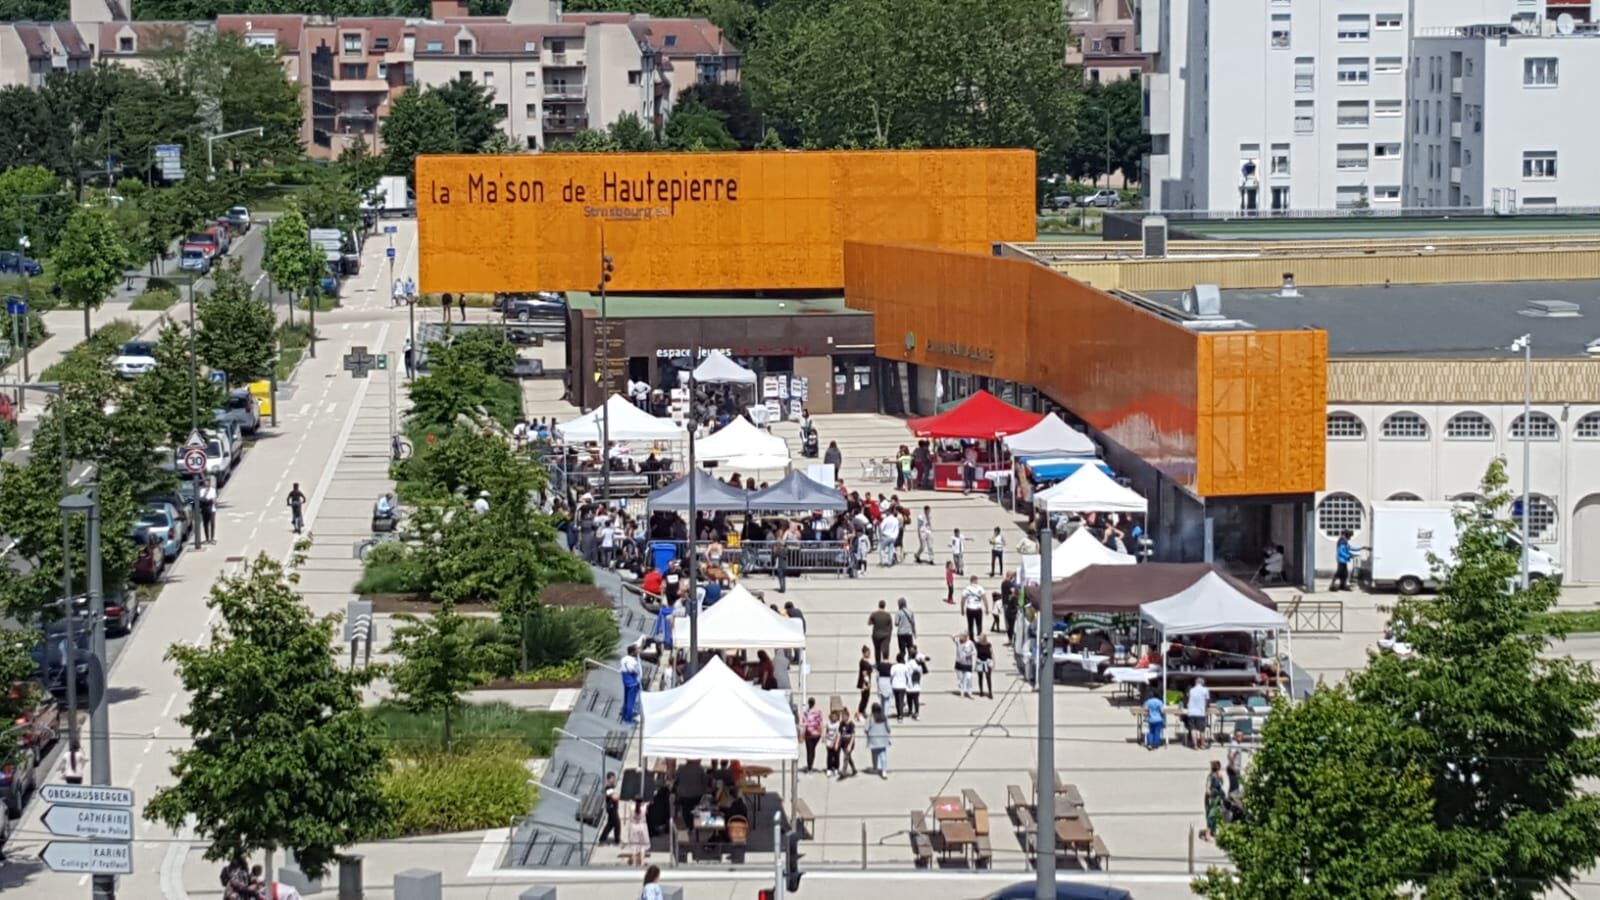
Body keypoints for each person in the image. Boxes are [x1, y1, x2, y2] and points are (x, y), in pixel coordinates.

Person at [1200, 760, 1226, 841]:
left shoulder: (1216, 776)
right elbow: (1208, 789)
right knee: (1211, 816)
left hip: (1215, 798)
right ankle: (1208, 835)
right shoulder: (1212, 777)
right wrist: (1212, 794)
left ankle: (1212, 832)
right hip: (1212, 799)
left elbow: (1220, 785)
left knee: (1213, 815)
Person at [864, 704, 892, 778]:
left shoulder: (870, 718)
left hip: (873, 740)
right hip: (883, 739)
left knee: (874, 755)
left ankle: (875, 768)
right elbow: (889, 729)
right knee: (883, 755)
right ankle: (884, 771)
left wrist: (868, 735)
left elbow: (866, 729)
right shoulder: (884, 717)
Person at [1185, 677, 1211, 749]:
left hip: (1191, 712)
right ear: (1203, 683)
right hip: (1200, 712)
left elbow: (1188, 699)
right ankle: (1202, 744)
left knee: (1193, 729)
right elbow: (1207, 701)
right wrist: (1206, 709)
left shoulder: (1191, 690)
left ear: (1195, 683)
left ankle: (1195, 745)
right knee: (1202, 730)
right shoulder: (1205, 690)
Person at [620, 644, 642, 725]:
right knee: (631, 702)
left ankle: (624, 714)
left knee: (626, 699)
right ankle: (628, 719)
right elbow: (633, 670)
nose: (638, 651)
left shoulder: (623, 659)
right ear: (633, 652)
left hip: (626, 682)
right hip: (632, 682)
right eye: (637, 650)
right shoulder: (632, 661)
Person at [801, 698, 824, 772]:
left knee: (810, 751)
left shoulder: (807, 712)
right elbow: (820, 723)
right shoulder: (817, 712)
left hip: (811, 735)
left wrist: (802, 734)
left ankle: (810, 767)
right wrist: (822, 733)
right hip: (813, 734)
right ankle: (810, 766)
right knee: (812, 750)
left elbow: (805, 725)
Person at [625, 800, 650, 866]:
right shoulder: (644, 807)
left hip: (633, 827)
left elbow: (630, 804)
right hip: (642, 826)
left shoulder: (631, 807)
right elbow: (648, 804)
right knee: (642, 845)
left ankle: (634, 862)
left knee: (634, 845)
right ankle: (642, 862)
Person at [599, 772, 622, 845]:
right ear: (609, 779)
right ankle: (617, 840)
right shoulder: (607, 788)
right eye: (613, 778)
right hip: (611, 809)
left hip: (613, 808)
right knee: (617, 824)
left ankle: (602, 838)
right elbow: (614, 797)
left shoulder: (612, 788)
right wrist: (619, 796)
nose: (614, 780)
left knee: (610, 824)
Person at [905, 646, 927, 719]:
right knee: (916, 700)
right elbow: (924, 672)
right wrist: (922, 663)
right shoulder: (918, 664)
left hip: (909, 685)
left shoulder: (908, 663)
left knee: (909, 699)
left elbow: (906, 672)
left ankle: (910, 711)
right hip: (916, 685)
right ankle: (916, 713)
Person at [952, 633, 976, 698]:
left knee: (969, 678)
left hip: (968, 664)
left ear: (966, 638)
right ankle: (962, 692)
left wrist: (970, 654)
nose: (960, 640)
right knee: (960, 679)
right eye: (960, 638)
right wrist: (958, 634)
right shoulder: (958, 642)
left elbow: (974, 651)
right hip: (959, 663)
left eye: (962, 638)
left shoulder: (970, 643)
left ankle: (969, 692)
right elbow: (953, 636)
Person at [962, 576, 985, 640]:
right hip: (978, 609)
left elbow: (963, 599)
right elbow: (984, 598)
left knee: (970, 625)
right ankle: (980, 637)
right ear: (975, 580)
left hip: (970, 609)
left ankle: (972, 639)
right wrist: (987, 608)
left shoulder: (967, 588)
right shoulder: (980, 588)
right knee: (979, 624)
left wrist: (962, 609)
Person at [837, 709, 858, 778]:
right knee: (848, 757)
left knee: (846, 757)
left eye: (844, 717)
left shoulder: (851, 724)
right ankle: (854, 769)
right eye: (842, 717)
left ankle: (844, 771)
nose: (842, 718)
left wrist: (850, 745)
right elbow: (840, 733)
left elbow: (853, 735)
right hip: (843, 743)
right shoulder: (841, 724)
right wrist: (837, 743)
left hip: (849, 743)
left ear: (847, 716)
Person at [889, 652, 910, 719]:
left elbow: (891, 676)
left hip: (895, 685)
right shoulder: (905, 667)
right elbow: (907, 676)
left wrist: (891, 683)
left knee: (897, 700)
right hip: (902, 686)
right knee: (901, 700)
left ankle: (898, 713)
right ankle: (900, 714)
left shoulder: (894, 667)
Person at [974, 634, 995, 699]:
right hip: (980, 661)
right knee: (980, 677)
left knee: (988, 677)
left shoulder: (989, 644)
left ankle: (990, 692)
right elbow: (974, 653)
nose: (978, 639)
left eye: (980, 638)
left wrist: (994, 663)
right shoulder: (977, 644)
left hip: (987, 662)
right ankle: (981, 691)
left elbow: (992, 654)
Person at [856, 646, 874, 715]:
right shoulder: (863, 662)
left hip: (866, 681)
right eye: (868, 653)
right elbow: (864, 673)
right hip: (864, 683)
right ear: (864, 653)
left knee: (865, 697)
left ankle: (862, 710)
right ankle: (861, 711)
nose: (869, 654)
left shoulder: (865, 661)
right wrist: (867, 683)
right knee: (864, 698)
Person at [199, 477, 218, 543]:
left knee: (212, 523)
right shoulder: (202, 490)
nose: (206, 483)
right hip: (204, 509)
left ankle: (212, 538)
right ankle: (207, 539)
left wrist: (209, 501)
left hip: (212, 509)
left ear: (209, 482)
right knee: (205, 524)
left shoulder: (212, 490)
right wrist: (208, 500)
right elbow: (201, 499)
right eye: (205, 481)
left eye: (207, 481)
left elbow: (214, 500)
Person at [824, 709, 842, 776]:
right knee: (829, 756)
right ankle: (829, 769)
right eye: (832, 716)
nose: (833, 717)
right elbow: (826, 730)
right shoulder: (828, 723)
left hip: (836, 742)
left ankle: (836, 769)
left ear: (837, 717)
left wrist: (834, 743)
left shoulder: (839, 724)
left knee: (836, 756)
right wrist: (824, 738)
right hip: (829, 741)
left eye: (835, 716)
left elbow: (838, 734)